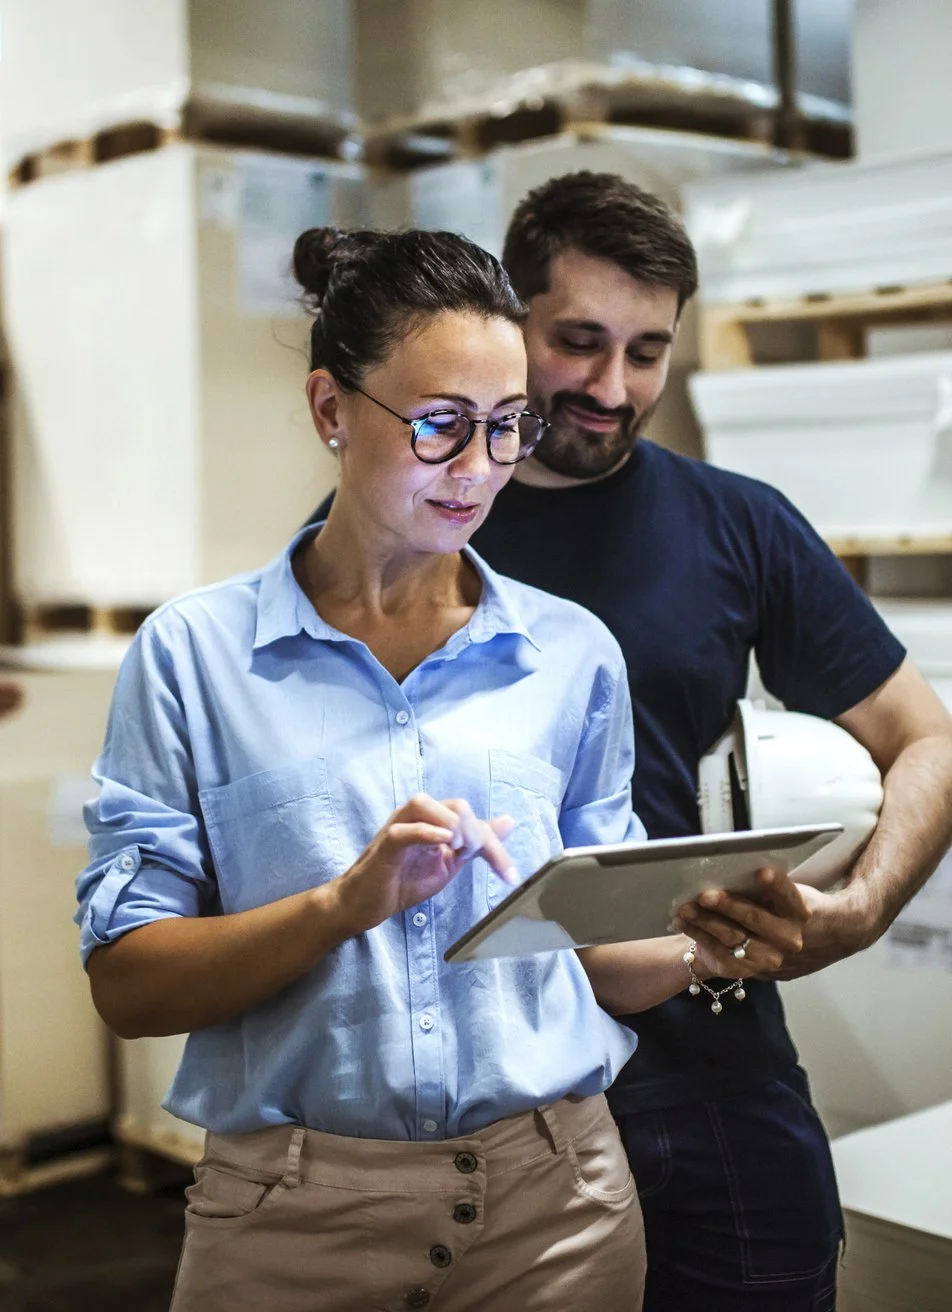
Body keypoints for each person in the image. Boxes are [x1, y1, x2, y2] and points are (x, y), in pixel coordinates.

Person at [76, 226, 800, 1312]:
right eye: (438, 426)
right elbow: (129, 984)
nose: (477, 470)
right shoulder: (195, 657)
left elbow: (588, 955)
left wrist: (709, 940)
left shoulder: (571, 654)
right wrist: (341, 902)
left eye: (508, 428)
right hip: (292, 1221)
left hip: (558, 1207)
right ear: (331, 410)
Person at [309, 174, 952, 1310]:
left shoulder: (734, 522)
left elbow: (926, 742)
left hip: (710, 1069)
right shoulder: (398, 530)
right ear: (512, 321)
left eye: (647, 351)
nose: (613, 389)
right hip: (484, 1097)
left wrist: (859, 912)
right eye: (579, 343)